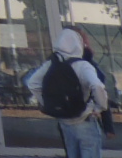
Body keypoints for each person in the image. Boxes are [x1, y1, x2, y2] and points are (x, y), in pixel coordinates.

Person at [25, 27, 107, 158]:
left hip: (64, 121)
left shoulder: (51, 64)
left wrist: (48, 102)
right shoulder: (82, 65)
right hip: (85, 118)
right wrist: (99, 107)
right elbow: (97, 85)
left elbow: (32, 83)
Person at [71, 27, 116, 141]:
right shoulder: (85, 64)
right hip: (86, 114)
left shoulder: (63, 62)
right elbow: (98, 88)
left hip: (70, 116)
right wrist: (99, 109)